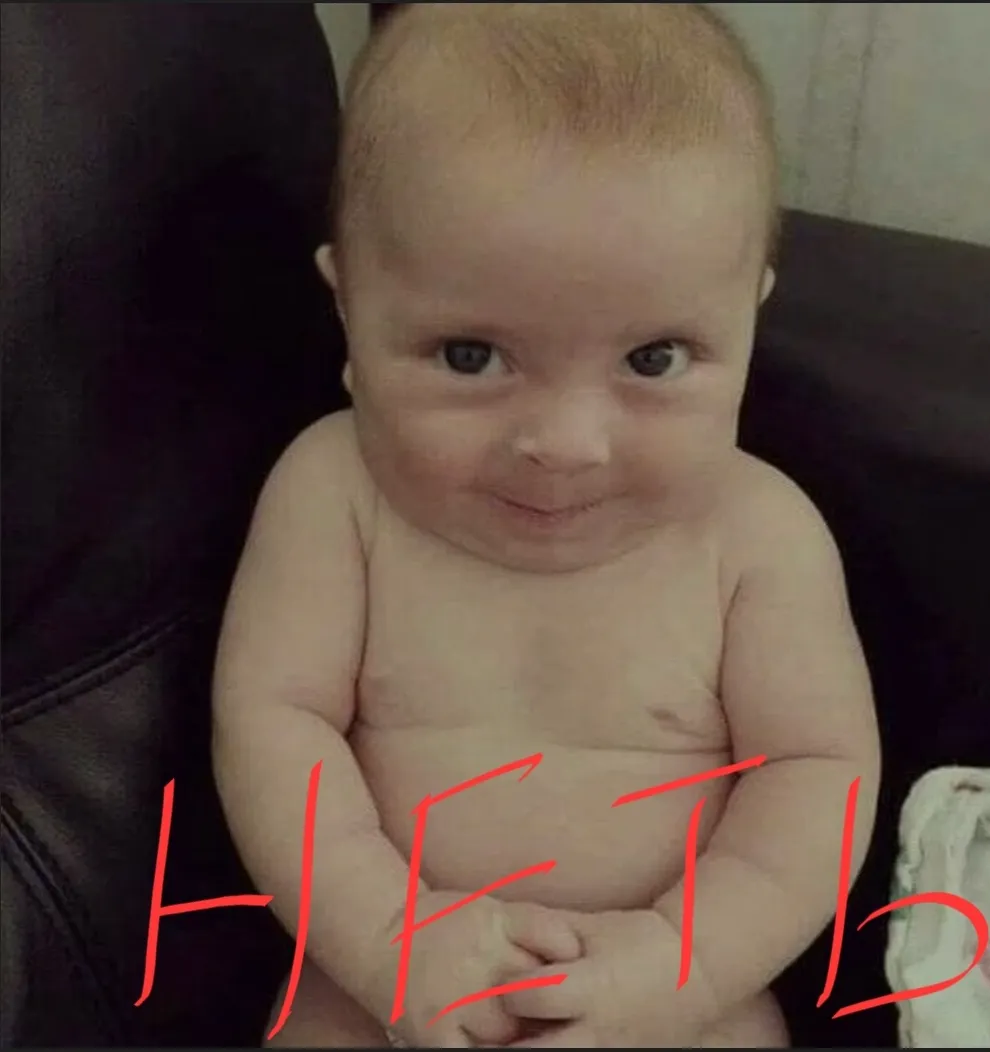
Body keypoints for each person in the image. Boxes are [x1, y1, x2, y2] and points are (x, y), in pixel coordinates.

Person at [211, 5, 880, 1047]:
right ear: (349, 307)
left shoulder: (759, 535)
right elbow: (270, 724)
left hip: (675, 1000)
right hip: (378, 982)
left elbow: (817, 773)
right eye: (470, 356)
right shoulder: (333, 492)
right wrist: (389, 937)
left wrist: (684, 961)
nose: (565, 444)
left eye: (652, 358)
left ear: (747, 313)